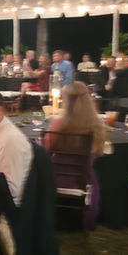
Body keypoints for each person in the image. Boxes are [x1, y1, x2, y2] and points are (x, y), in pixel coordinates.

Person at [44, 82, 106, 229]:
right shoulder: (97, 126)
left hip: (55, 178)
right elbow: (99, 153)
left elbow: (47, 149)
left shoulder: (58, 124)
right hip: (83, 179)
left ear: (66, 101)